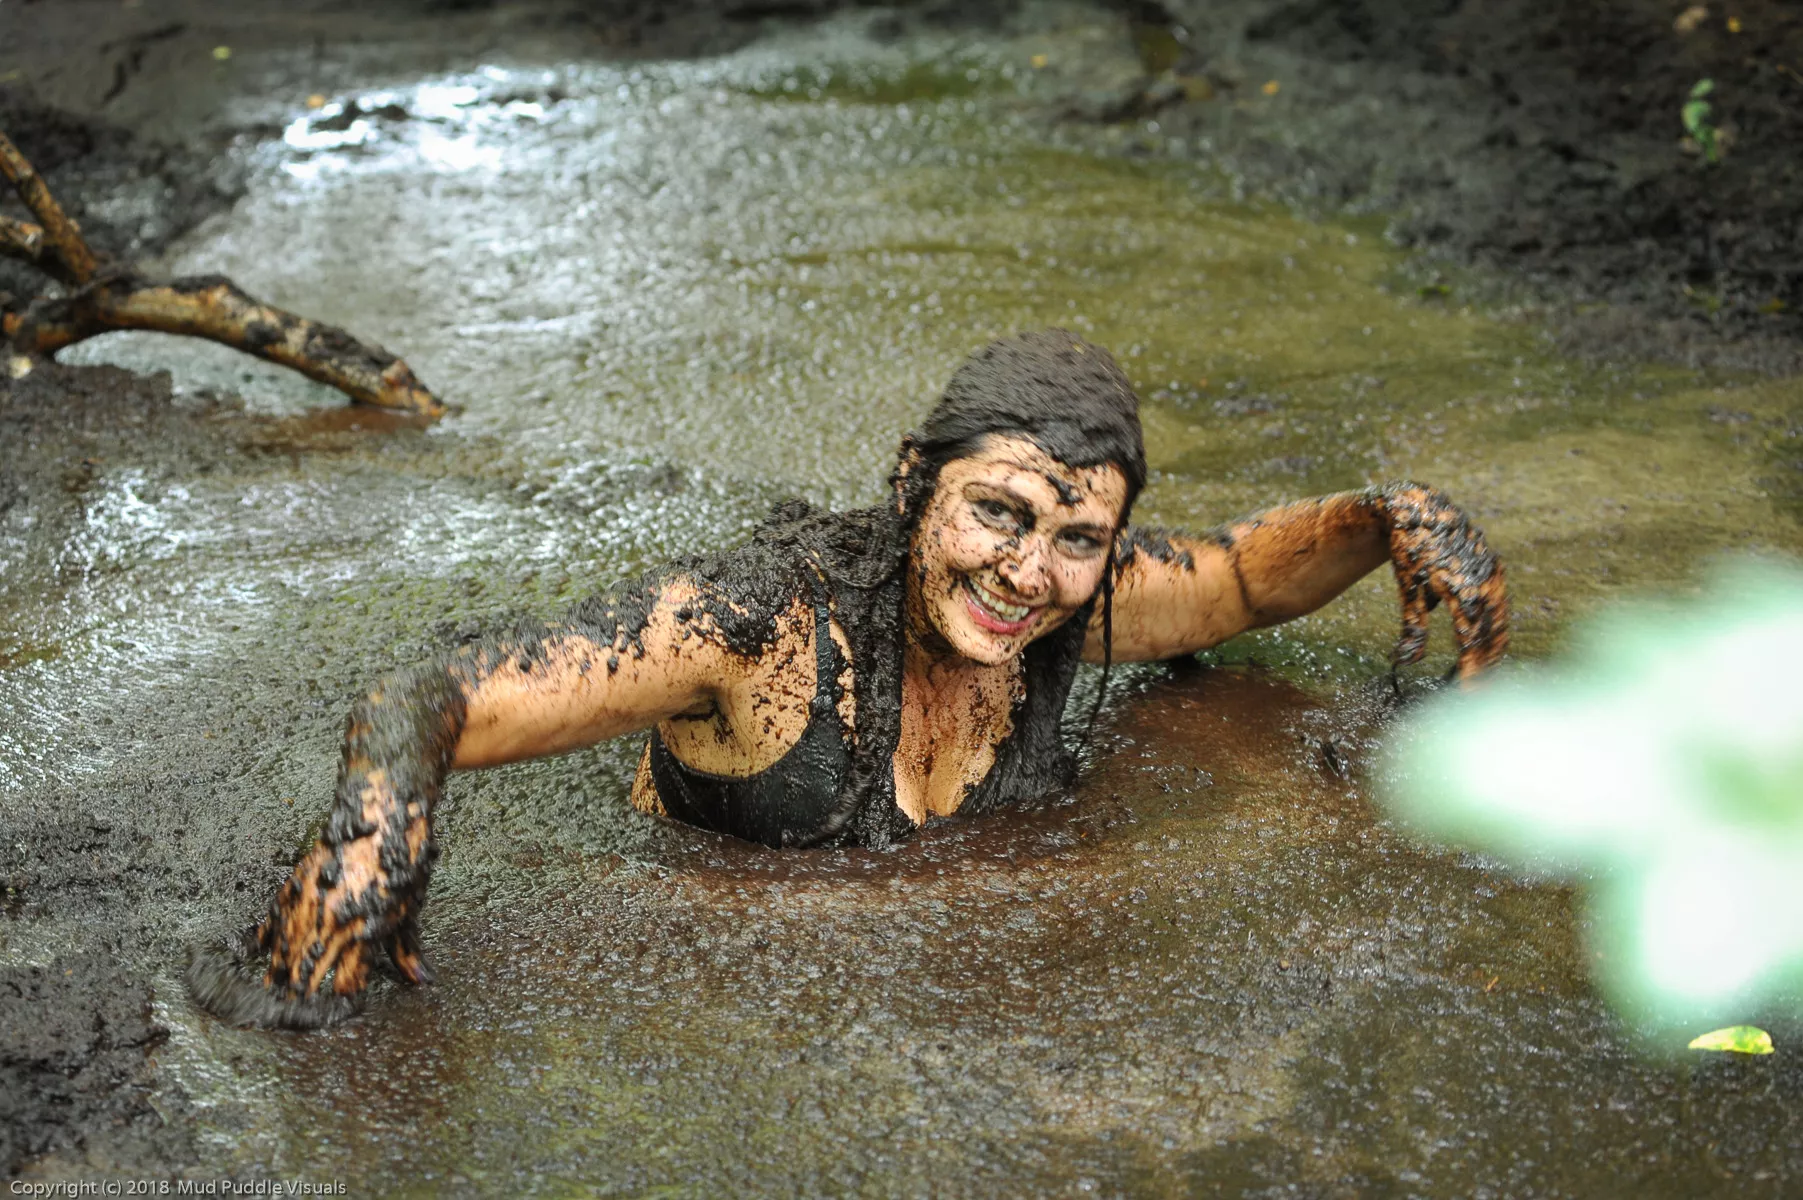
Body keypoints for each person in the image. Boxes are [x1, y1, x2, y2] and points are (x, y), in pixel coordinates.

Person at [187, 329, 1508, 1028]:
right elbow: (432, 687)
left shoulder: (1073, 601)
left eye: (1074, 542)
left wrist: (1389, 516)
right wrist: (368, 857)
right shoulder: (749, 630)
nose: (1026, 575)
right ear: (908, 486)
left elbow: (1234, 581)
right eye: (994, 513)